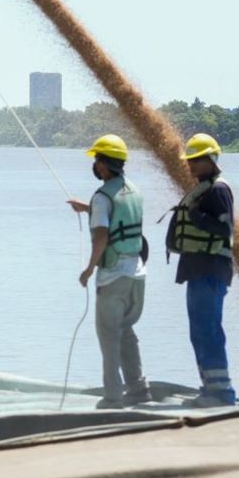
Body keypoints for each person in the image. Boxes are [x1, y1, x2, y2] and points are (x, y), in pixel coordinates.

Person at [68, 134, 151, 408]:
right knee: (126, 330)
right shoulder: (135, 190)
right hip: (137, 274)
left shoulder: (102, 197)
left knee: (108, 336)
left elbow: (102, 235)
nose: (95, 165)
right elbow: (120, 215)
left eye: (97, 160)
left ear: (104, 164)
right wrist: (87, 207)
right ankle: (138, 388)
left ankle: (113, 396)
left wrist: (89, 269)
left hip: (113, 275)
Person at [166, 133, 236, 407]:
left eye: (196, 160)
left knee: (208, 329)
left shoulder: (218, 190)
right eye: (189, 160)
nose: (191, 165)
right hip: (197, 271)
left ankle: (222, 392)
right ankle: (209, 388)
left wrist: (195, 215)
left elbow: (223, 229)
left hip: (211, 271)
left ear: (211, 159)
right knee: (199, 331)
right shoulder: (202, 188)